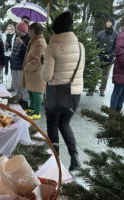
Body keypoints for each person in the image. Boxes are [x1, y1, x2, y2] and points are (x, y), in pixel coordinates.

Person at [41, 11, 85, 171]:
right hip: (75, 94)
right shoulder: (80, 47)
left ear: (56, 30)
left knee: (52, 124)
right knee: (65, 124)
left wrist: (43, 63)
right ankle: (74, 157)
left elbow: (46, 76)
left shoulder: (53, 47)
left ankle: (55, 160)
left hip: (57, 93)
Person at [22, 23, 47, 120]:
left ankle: (37, 112)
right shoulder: (34, 40)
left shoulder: (40, 42)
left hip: (36, 72)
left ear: (35, 31)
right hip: (31, 73)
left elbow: (38, 60)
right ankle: (32, 108)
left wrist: (28, 66)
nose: (28, 32)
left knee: (36, 92)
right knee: (31, 90)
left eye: (30, 30)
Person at [10, 22, 31, 109]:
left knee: (23, 86)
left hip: (22, 66)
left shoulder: (28, 38)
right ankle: (19, 100)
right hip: (14, 65)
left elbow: (28, 52)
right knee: (16, 85)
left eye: (18, 30)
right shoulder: (17, 37)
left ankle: (25, 103)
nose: (17, 31)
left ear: (23, 30)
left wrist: (22, 43)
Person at [97, 18, 118, 96]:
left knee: (105, 77)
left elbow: (116, 47)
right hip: (99, 57)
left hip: (109, 59)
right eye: (107, 22)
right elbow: (96, 44)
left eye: (110, 22)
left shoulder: (116, 35)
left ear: (112, 24)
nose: (108, 23)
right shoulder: (100, 33)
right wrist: (97, 54)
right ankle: (91, 89)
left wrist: (110, 55)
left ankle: (102, 89)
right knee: (95, 74)